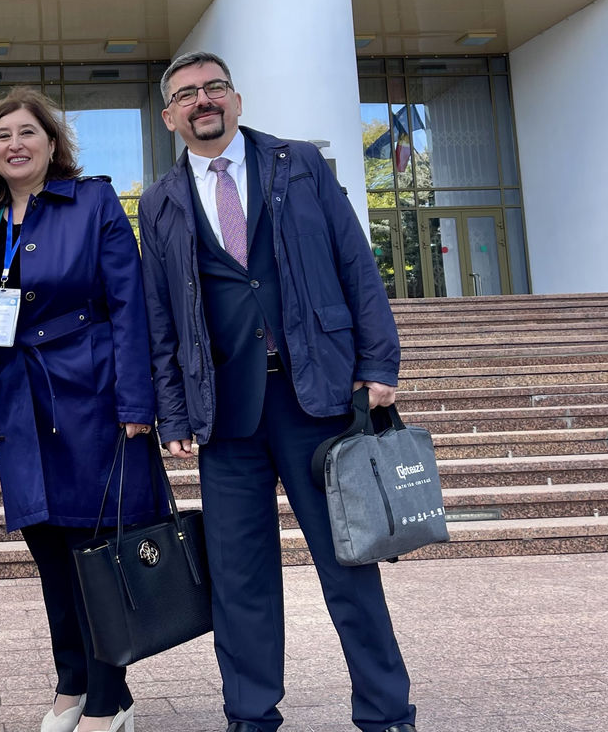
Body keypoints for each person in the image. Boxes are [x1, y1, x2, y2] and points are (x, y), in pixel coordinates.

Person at [138, 51, 417, 732]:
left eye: (214, 88)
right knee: (240, 582)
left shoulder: (300, 165)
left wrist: (380, 362)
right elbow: (161, 315)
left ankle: (387, 714)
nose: (203, 100)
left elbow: (356, 260)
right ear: (171, 115)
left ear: (235, 99)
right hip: (227, 416)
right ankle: (251, 716)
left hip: (316, 400)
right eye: (187, 94)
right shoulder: (161, 201)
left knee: (349, 567)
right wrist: (172, 408)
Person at [0, 87, 158, 732]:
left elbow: (129, 302)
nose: (14, 144)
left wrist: (136, 399)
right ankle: (71, 682)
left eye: (27, 133)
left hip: (90, 391)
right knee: (48, 545)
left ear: (51, 143)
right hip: (15, 398)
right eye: (2, 136)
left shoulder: (92, 200)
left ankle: (107, 696)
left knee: (94, 544)